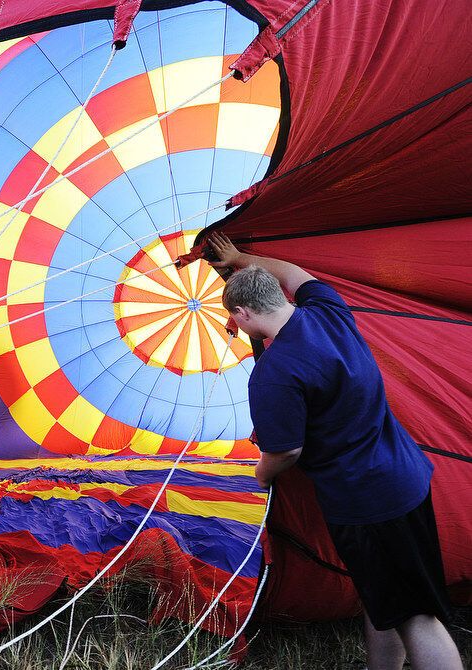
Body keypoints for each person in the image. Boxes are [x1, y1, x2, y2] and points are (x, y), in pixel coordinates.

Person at [205, 232, 461, 670]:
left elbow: (286, 451)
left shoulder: (274, 372)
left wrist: (261, 475)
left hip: (368, 503)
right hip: (407, 479)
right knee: (382, 601)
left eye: (233, 319)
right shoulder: (326, 310)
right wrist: (240, 258)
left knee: (417, 617)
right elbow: (294, 273)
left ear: (244, 313)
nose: (234, 327)